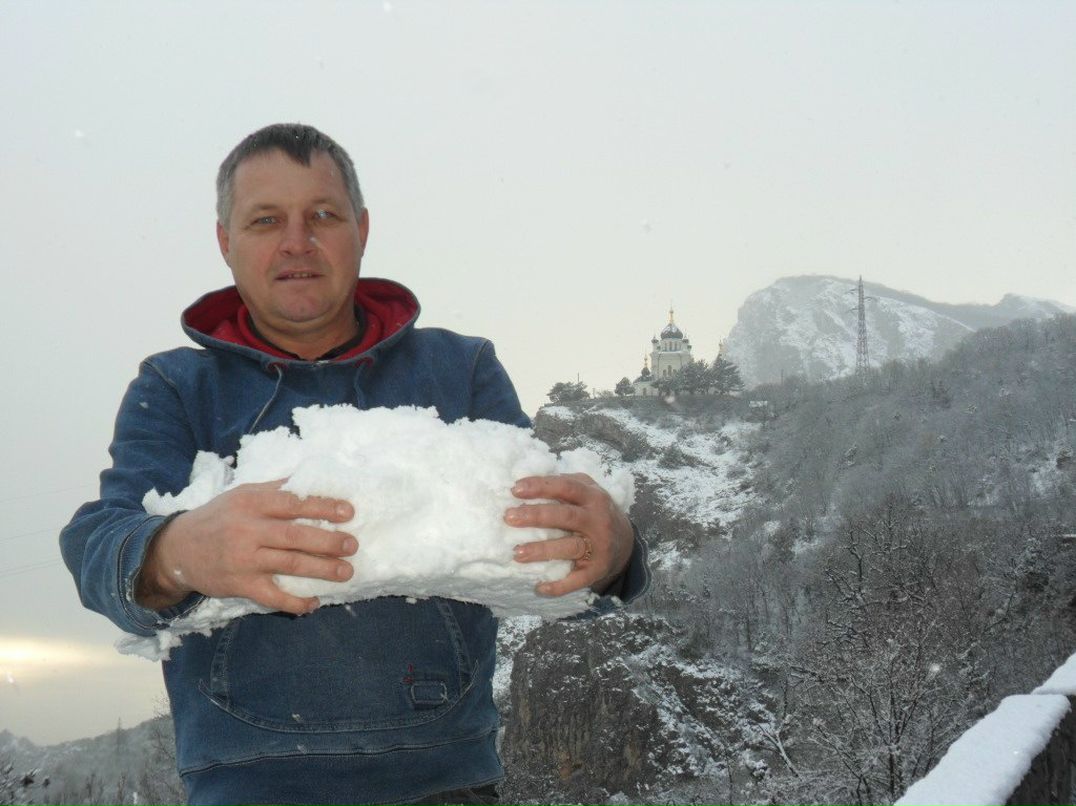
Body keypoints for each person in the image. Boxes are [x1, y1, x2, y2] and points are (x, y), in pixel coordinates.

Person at [60, 123, 650, 806]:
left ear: (361, 229)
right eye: (265, 220)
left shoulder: (462, 371)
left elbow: (551, 561)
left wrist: (614, 549)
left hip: (446, 782)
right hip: (247, 785)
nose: (296, 241)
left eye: (322, 215)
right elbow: (100, 553)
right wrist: (173, 553)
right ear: (226, 241)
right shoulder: (174, 389)